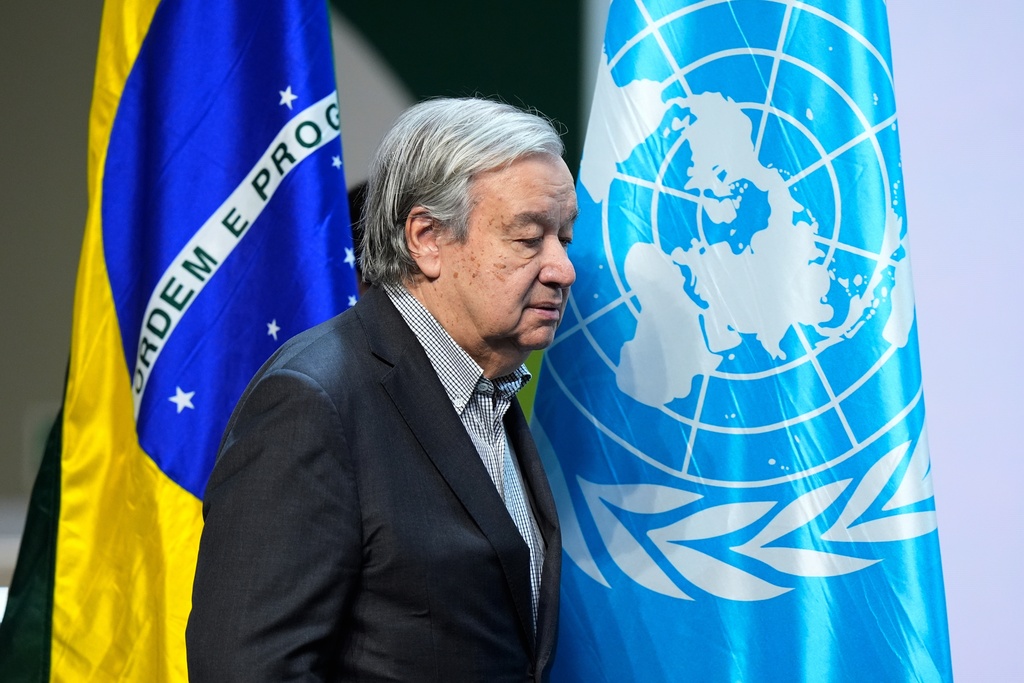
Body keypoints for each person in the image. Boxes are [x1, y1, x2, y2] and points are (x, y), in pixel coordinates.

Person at [186, 97, 577, 681]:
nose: (563, 269)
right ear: (426, 237)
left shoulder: (490, 390)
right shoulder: (312, 403)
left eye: (564, 238)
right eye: (528, 238)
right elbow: (246, 670)